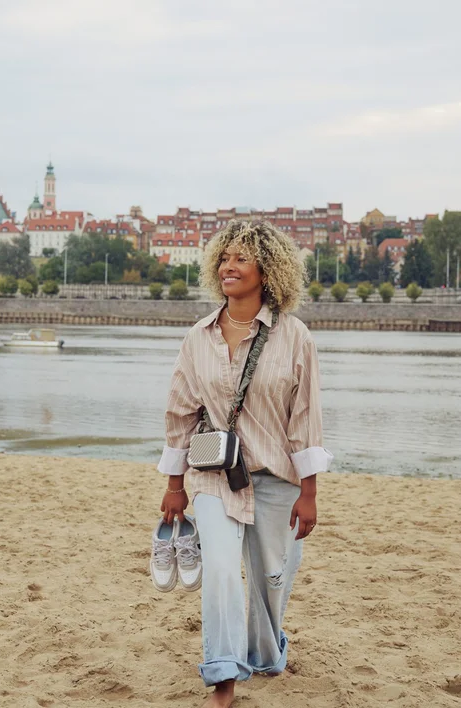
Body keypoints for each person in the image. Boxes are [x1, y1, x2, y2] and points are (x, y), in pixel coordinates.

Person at [158, 219, 333, 707]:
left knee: (270, 583)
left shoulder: (295, 337)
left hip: (279, 481)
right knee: (218, 569)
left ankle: (267, 651)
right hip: (216, 479)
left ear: (267, 269)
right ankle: (224, 678)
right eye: (224, 258)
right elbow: (180, 413)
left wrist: (310, 492)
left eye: (240, 258)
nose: (228, 266)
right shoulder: (198, 337)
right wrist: (175, 485)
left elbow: (306, 418)